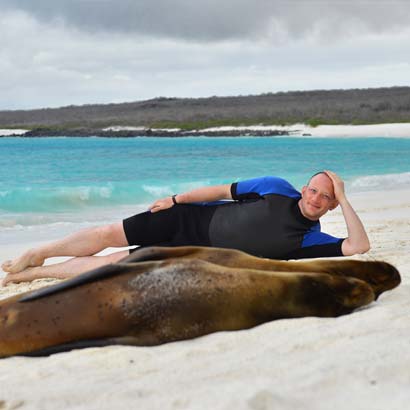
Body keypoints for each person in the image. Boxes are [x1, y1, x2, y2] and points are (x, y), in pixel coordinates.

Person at [1, 170, 370, 286]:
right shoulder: (275, 187)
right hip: (185, 217)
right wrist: (176, 199)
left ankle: (32, 274)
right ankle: (39, 252)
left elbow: (358, 247)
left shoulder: (308, 239)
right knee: (105, 235)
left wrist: (346, 196)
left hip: (190, 252)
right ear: (305, 188)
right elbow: (219, 191)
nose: (316, 199)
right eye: (314, 189)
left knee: (113, 262)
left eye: (326, 196)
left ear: (332, 203)